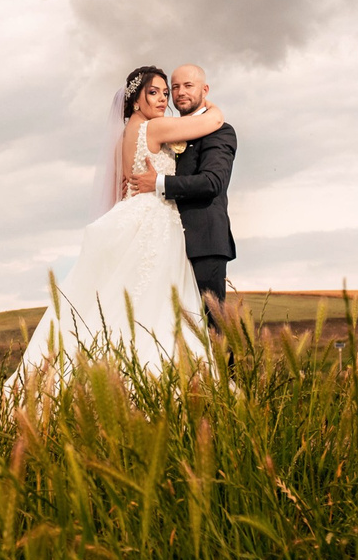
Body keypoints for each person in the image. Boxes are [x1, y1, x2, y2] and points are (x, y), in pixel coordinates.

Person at [12, 64, 226, 377]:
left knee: (125, 301)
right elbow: (214, 122)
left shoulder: (125, 136)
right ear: (135, 100)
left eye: (165, 93)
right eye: (153, 92)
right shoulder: (154, 129)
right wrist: (211, 104)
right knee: (155, 302)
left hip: (131, 214)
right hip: (155, 218)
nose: (163, 99)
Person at [125, 64, 238, 327]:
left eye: (188, 86)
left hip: (203, 242)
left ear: (205, 90)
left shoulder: (220, 131)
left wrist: (158, 182)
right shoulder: (164, 129)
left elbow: (212, 182)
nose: (179, 93)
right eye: (174, 87)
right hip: (161, 239)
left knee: (211, 328)